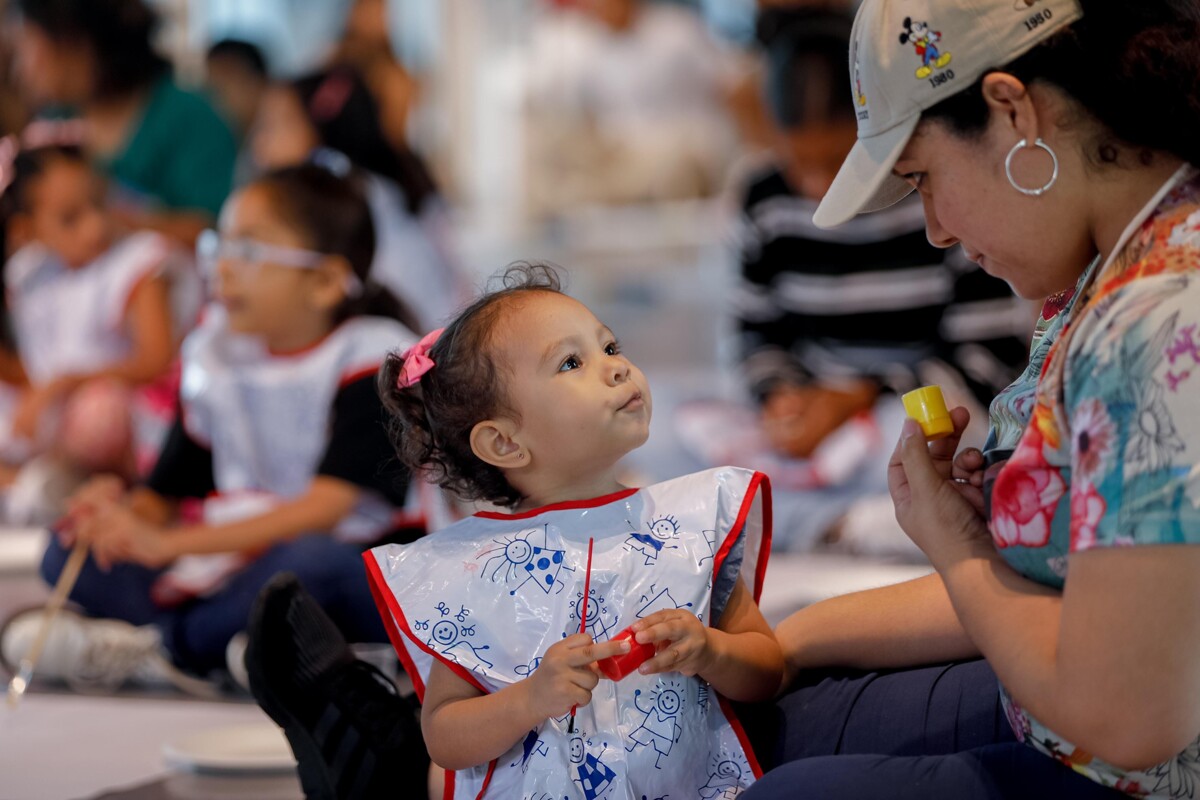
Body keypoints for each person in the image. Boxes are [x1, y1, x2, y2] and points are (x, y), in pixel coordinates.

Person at [745, 0, 1200, 797]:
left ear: (1011, 111)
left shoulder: (1155, 319)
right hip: (1050, 709)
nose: (935, 230)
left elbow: (1129, 719)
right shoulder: (1112, 264)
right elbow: (1071, 587)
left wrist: (958, 549)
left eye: (921, 178)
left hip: (1120, 764)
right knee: (752, 721)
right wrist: (793, 639)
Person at [248, 264, 784, 799]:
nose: (617, 369)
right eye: (572, 362)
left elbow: (768, 671)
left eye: (611, 348)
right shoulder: (476, 569)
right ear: (505, 443)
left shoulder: (688, 528)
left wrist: (711, 651)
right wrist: (529, 699)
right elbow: (445, 736)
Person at [0, 163, 420, 690]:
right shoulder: (218, 357)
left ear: (324, 281)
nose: (221, 268)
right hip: (239, 559)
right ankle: (233, 652)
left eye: (247, 251)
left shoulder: (375, 357)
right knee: (68, 550)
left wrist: (170, 546)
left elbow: (327, 509)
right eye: (218, 247)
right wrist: (117, 514)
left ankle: (161, 649)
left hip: (349, 562)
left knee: (311, 567)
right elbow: (168, 491)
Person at [0, 140, 181, 519]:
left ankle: (59, 484)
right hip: (56, 410)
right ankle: (37, 481)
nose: (95, 226)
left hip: (125, 412)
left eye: (100, 203)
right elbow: (36, 362)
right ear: (27, 230)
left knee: (97, 415)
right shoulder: (28, 275)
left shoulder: (137, 261)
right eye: (70, 218)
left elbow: (155, 360)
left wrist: (64, 383)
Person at [249, 66, 466, 333]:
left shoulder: (338, 195)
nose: (259, 146)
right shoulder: (383, 184)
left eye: (275, 125)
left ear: (322, 132)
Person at [10, 0, 238, 245]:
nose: (20, 69)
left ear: (74, 41)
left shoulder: (188, 116)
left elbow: (215, 233)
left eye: (26, 45)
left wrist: (103, 224)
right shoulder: (54, 123)